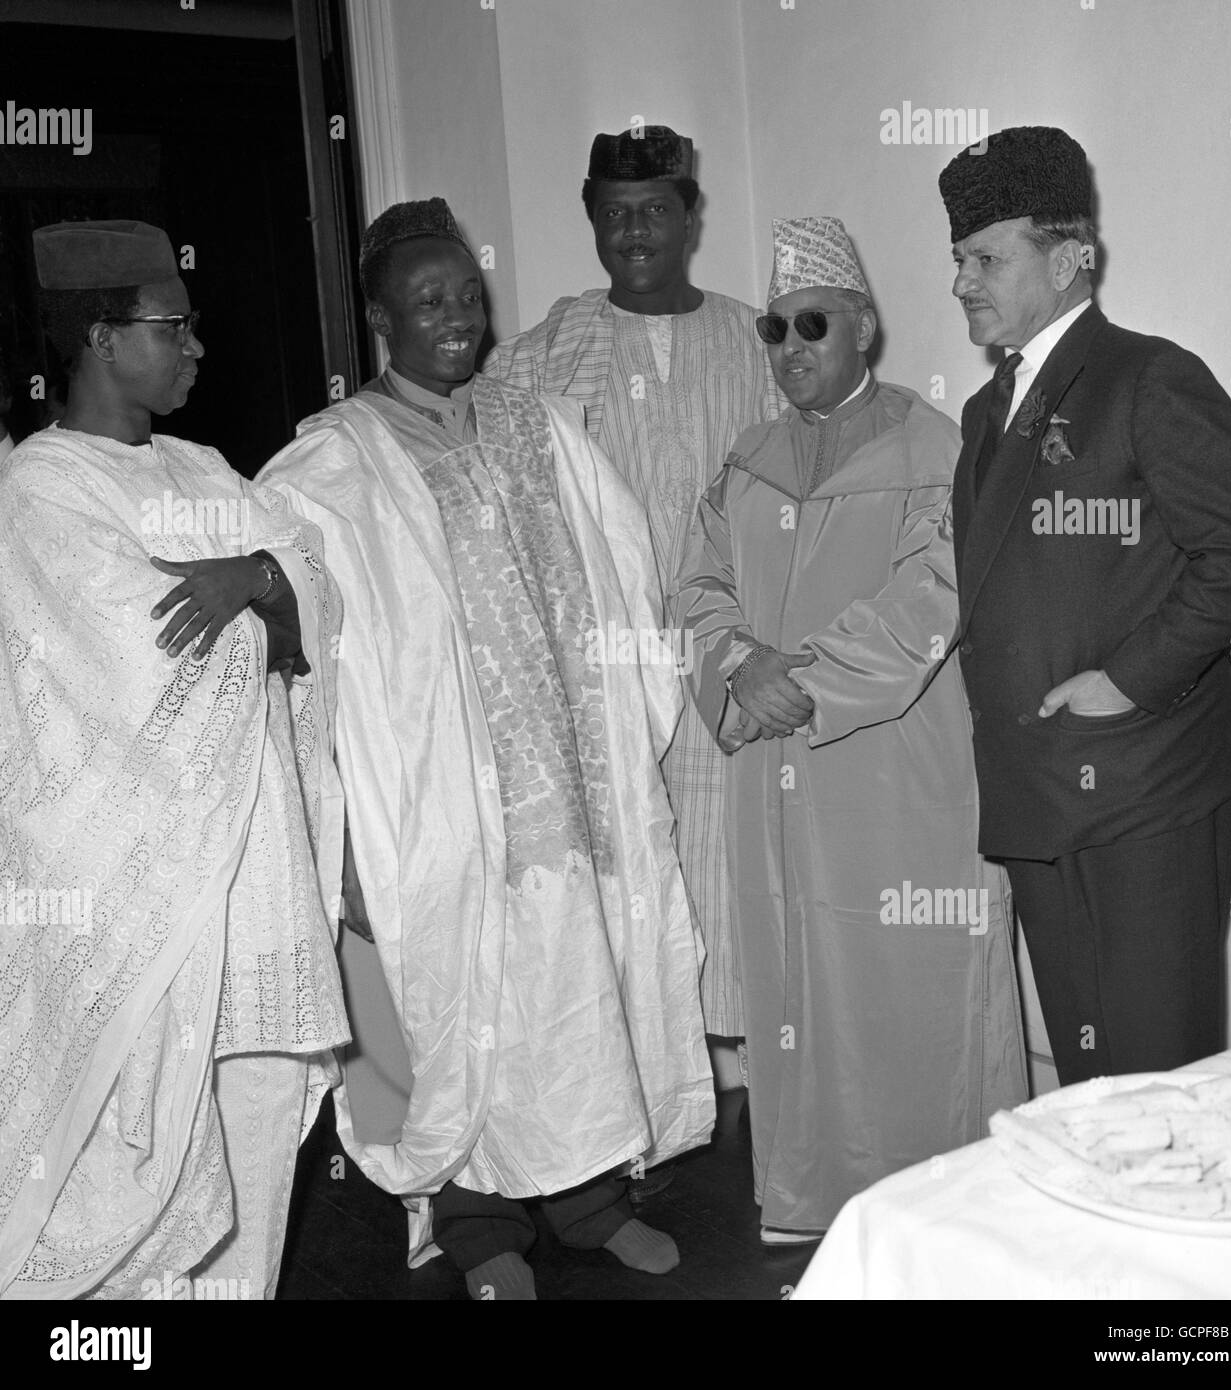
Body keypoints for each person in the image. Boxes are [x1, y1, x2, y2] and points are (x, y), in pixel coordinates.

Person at [259, 198, 715, 1300]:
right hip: (441, 796)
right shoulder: (333, 461)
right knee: (469, 1005)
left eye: (467, 294)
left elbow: (618, 561)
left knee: (580, 985)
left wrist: (621, 713)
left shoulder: (534, 420)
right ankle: (476, 1227)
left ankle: (592, 1199)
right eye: (428, 300)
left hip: (565, 774)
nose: (456, 316)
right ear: (379, 316)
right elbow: (306, 642)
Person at [0, 220, 348, 1299]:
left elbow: (309, 597)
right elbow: (136, 656)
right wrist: (254, 593)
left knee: (252, 1123)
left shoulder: (201, 467)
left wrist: (252, 574)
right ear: (101, 337)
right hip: (137, 902)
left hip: (254, 877)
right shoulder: (40, 490)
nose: (196, 346)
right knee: (132, 1147)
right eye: (173, 326)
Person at [675, 216, 1026, 1241]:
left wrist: (805, 682)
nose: (790, 348)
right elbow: (695, 585)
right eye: (773, 329)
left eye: (812, 325)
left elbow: (936, 593)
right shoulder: (745, 461)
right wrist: (740, 665)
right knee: (797, 989)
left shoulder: (933, 447)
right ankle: (809, 1219)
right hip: (774, 783)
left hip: (893, 783)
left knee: (904, 998)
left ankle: (937, 1227)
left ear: (863, 330)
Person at [937, 126, 1231, 1084]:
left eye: (987, 256)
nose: (963, 280)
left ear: (1069, 257)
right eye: (958, 258)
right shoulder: (981, 412)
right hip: (1036, 791)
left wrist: (1122, 683)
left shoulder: (1148, 376)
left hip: (1141, 785)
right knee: (1089, 1086)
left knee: (1154, 1081)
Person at [487, 125, 779, 1070]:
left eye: (655, 210)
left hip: (724, 650)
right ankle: (645, 1078)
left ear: (690, 217)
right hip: (604, 666)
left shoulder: (753, 337)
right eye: (614, 215)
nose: (635, 232)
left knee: (730, 870)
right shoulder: (546, 351)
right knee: (628, 873)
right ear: (591, 219)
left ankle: (733, 1064)